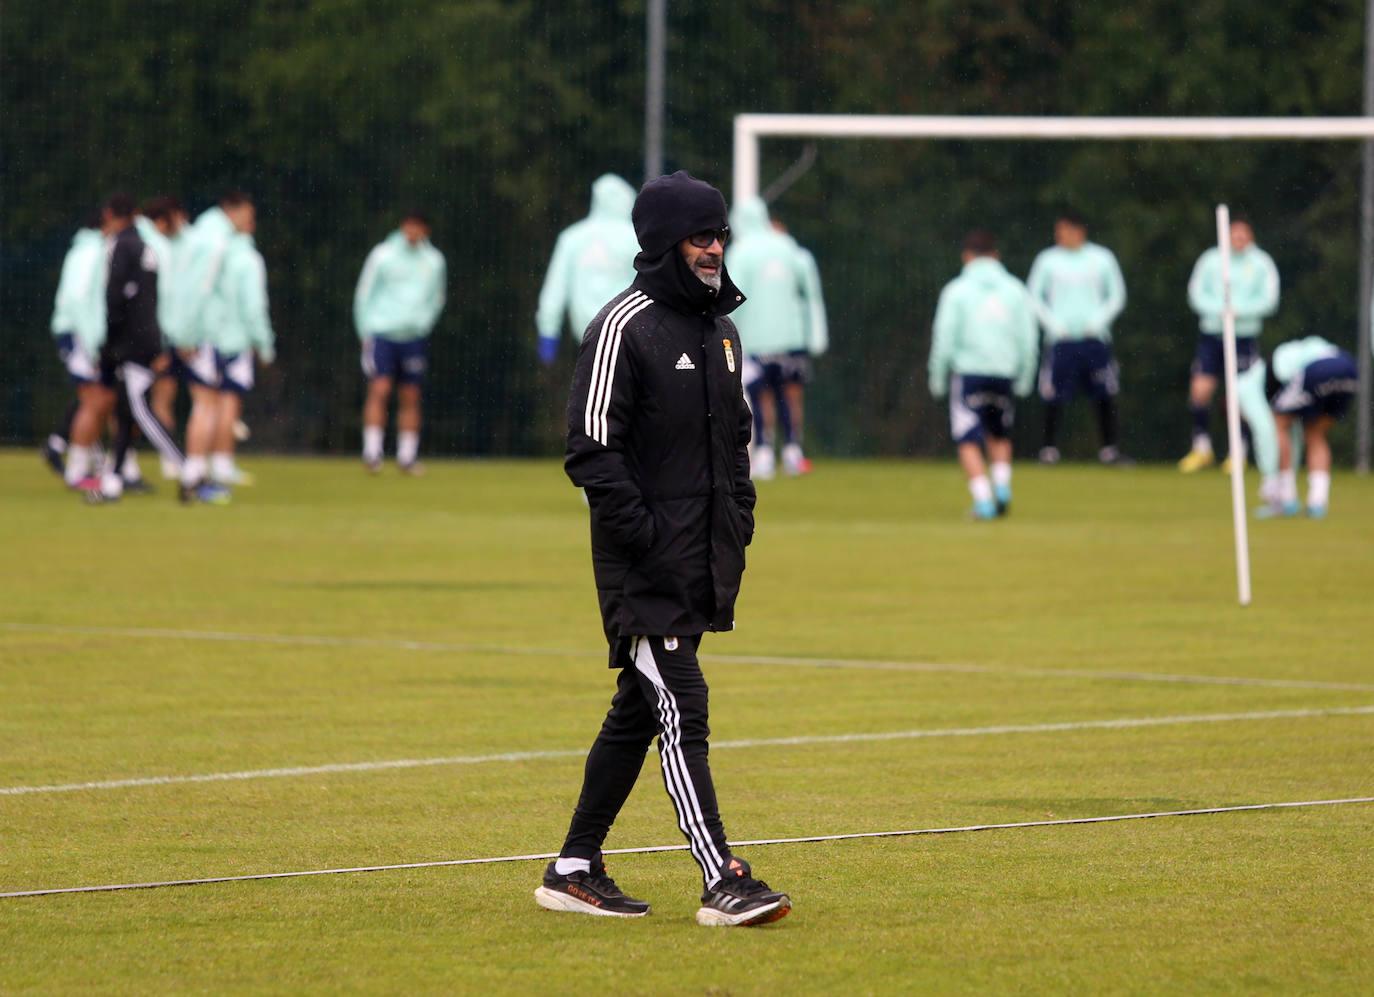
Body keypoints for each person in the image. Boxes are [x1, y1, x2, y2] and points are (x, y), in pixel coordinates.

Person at [536, 171, 790, 928]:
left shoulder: (723, 330)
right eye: (699, 237)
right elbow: (590, 452)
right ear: (662, 244)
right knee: (683, 702)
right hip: (641, 566)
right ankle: (723, 878)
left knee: (637, 712)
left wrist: (738, 520)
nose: (714, 249)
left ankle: (573, 864)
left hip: (702, 559)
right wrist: (645, 539)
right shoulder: (622, 326)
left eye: (719, 235)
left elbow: (735, 441)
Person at [63, 192, 184, 502]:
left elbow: (117, 301)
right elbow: (121, 301)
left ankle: (119, 477)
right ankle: (110, 477)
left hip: (125, 341)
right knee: (118, 407)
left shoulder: (124, 246)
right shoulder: (138, 247)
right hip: (128, 339)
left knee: (127, 408)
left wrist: (107, 342)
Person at [928, 230, 1038, 519]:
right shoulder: (1015, 290)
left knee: (968, 440)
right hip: (1005, 373)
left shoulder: (956, 291)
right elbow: (1028, 337)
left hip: (968, 374)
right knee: (999, 435)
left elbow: (944, 337)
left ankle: (984, 501)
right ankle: (1002, 487)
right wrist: (1026, 374)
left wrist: (937, 376)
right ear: (996, 256)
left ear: (967, 256)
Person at [726, 198, 827, 479]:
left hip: (756, 340)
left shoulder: (741, 252)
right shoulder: (790, 247)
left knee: (761, 396)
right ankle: (793, 450)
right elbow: (811, 295)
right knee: (790, 394)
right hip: (792, 338)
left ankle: (765, 452)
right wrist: (815, 335)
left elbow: (732, 297)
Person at [1026, 210, 1129, 465]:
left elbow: (1116, 296)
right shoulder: (1047, 260)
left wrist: (1097, 322)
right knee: (1053, 396)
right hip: (1060, 340)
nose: (1060, 235)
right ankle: (1048, 450)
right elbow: (1033, 297)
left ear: (1079, 231)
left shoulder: (1102, 258)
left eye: (1065, 230)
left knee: (1104, 394)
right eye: (1058, 230)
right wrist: (1054, 324)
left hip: (1095, 339)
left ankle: (1109, 451)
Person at [1179, 214, 1279, 472]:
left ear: (1251, 236)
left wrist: (1240, 310)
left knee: (1241, 395)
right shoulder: (1211, 260)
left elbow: (1269, 299)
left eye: (1243, 234)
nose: (1238, 239)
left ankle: (1239, 452)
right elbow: (1195, 294)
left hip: (1243, 336)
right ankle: (1201, 448)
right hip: (1212, 333)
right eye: (1234, 234)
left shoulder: (1261, 262)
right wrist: (1219, 309)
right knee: (1200, 390)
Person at [176, 191, 257, 504]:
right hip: (204, 335)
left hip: (202, 333)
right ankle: (193, 478)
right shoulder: (215, 241)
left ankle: (197, 476)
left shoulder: (202, 235)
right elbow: (199, 290)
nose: (249, 222)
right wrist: (187, 334)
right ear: (231, 211)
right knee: (206, 405)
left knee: (206, 404)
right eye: (247, 215)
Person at [355, 211, 446, 474]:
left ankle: (407, 456)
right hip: (382, 334)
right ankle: (372, 453)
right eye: (408, 226)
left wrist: (423, 323)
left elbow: (436, 299)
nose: (412, 232)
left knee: (411, 394)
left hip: (414, 337)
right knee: (380, 388)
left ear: (425, 230)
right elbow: (364, 294)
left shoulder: (434, 260)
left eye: (417, 227)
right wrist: (365, 331)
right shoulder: (382, 255)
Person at [204, 198, 275, 487]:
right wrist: (264, 342)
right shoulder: (248, 258)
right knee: (228, 402)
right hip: (235, 341)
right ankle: (222, 464)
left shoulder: (210, 250)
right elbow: (254, 307)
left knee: (206, 402)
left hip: (207, 337)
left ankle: (200, 462)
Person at [535, 174, 639, 366]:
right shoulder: (636, 239)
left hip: (587, 336)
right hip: (631, 334)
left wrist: (548, 331)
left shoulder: (572, 238)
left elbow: (555, 289)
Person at [1255, 336, 1359, 518]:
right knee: (1315, 434)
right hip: (1349, 368)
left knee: (1278, 423)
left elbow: (1281, 404)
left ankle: (1287, 498)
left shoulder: (1274, 366)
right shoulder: (1308, 347)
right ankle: (1317, 502)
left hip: (1319, 371)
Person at [43, 211, 107, 477]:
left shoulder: (86, 250)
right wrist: (94, 344)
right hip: (80, 335)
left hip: (80, 333)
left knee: (93, 400)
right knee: (94, 400)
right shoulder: (92, 253)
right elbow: (80, 301)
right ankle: (78, 470)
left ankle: (80, 458)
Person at [138, 195, 191, 480]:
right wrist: (173, 338)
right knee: (150, 401)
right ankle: (168, 459)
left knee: (138, 401)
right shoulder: (159, 247)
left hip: (144, 335)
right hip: (153, 337)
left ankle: (125, 460)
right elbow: (165, 300)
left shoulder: (140, 241)